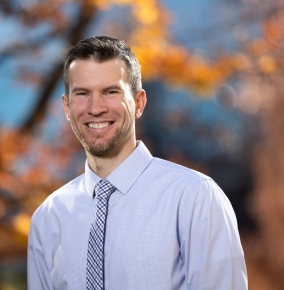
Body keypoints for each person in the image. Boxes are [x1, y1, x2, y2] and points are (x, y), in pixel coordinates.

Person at [27, 36, 248, 290]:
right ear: (67, 107)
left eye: (110, 92)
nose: (95, 108)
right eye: (82, 93)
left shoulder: (193, 197)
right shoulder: (48, 218)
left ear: (139, 102)